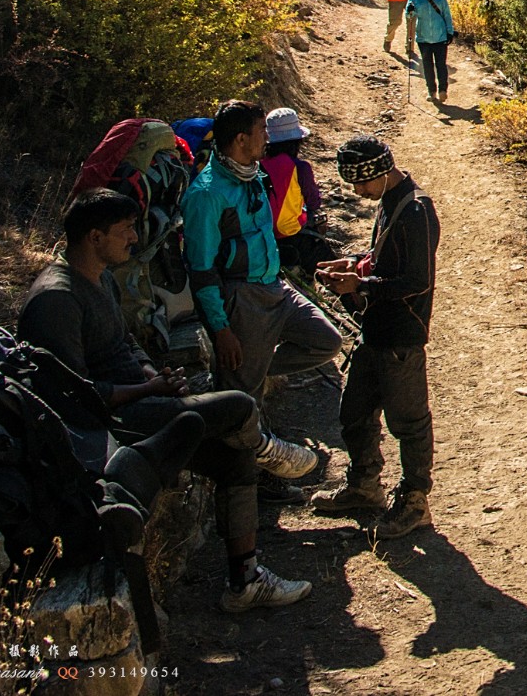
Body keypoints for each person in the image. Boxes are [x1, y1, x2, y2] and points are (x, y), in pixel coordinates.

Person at [19, 189, 312, 612]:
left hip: (140, 401)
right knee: (237, 406)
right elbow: (73, 396)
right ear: (94, 236)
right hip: (106, 426)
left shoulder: (100, 277)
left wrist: (152, 375)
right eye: (125, 232)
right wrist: (147, 391)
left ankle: (244, 581)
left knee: (233, 460)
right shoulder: (56, 299)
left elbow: (123, 344)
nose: (135, 239)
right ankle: (266, 447)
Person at [182, 99, 342, 497]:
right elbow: (201, 269)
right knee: (243, 398)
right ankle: (253, 481)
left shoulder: (252, 175)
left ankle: (253, 367)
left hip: (274, 287)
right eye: (261, 132)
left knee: (327, 339)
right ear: (241, 139)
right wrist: (221, 329)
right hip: (243, 297)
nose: (267, 139)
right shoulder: (207, 194)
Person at [311, 136, 439, 540]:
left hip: (401, 334)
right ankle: (365, 486)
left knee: (409, 422)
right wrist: (352, 266)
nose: (357, 192)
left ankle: (415, 501)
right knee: (355, 412)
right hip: (376, 331)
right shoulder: (391, 202)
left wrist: (360, 285)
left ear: (380, 173)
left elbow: (417, 280)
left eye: (361, 183)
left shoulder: (415, 210)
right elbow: (385, 260)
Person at [260, 107, 333, 274]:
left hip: (262, 237)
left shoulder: (256, 165)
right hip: (293, 236)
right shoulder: (300, 168)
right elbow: (314, 202)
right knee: (331, 268)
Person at [404, 0, 456, 104]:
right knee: (427, 65)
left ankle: (442, 90)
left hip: (440, 36)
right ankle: (431, 91)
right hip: (423, 37)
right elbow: (409, 16)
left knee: (441, 64)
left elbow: (447, 15)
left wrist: (450, 32)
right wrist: (410, 11)